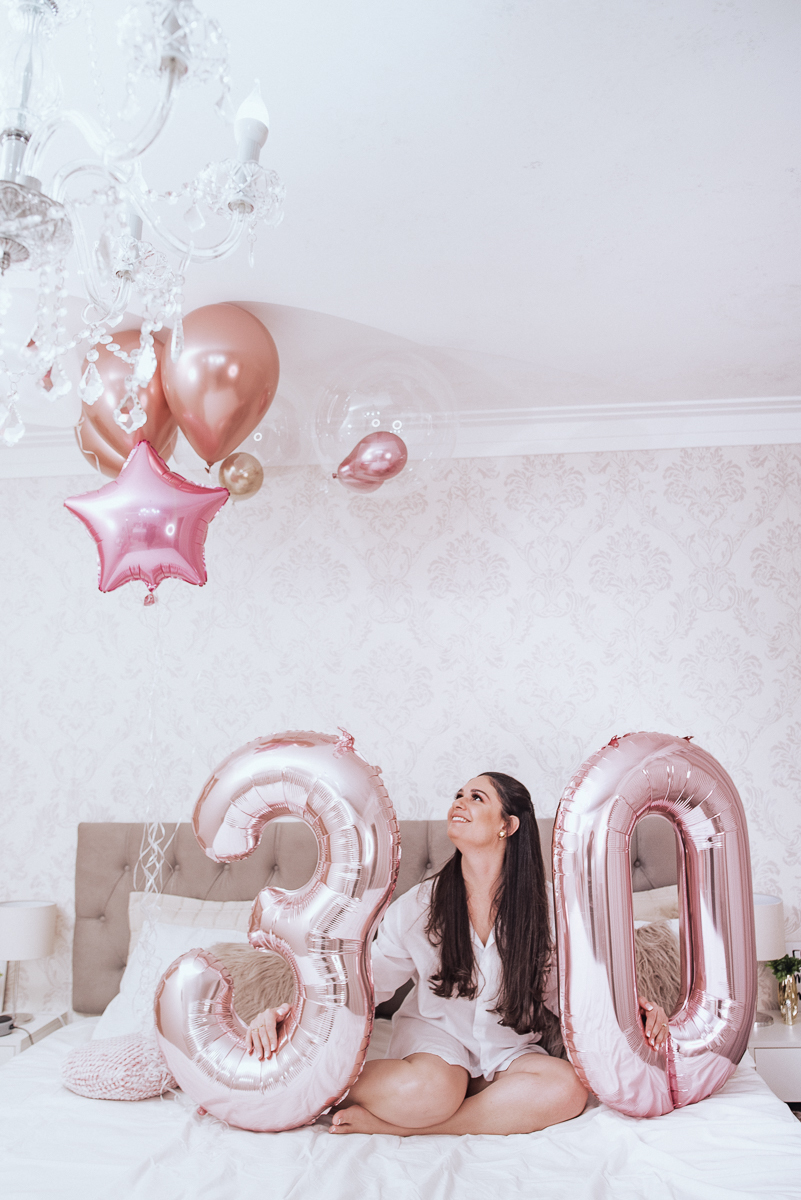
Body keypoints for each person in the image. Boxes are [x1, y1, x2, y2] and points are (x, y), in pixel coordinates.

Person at [245, 772, 669, 1136]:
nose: (459, 803)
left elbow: (571, 995)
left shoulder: (549, 912)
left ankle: (405, 1124)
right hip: (435, 1049)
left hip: (508, 1052)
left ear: (508, 826)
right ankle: (310, 1084)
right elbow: (366, 984)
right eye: (458, 795)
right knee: (432, 1091)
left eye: (476, 797)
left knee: (567, 1089)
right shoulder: (421, 905)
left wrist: (629, 1015)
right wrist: (293, 1020)